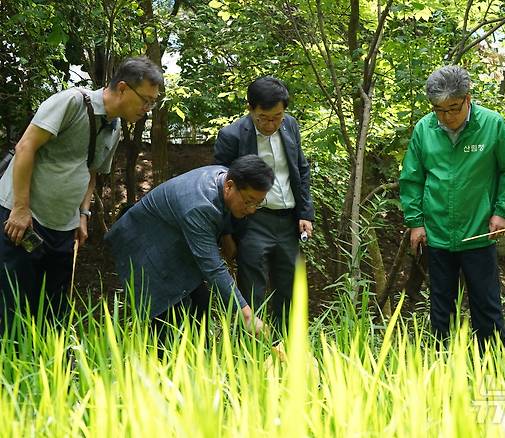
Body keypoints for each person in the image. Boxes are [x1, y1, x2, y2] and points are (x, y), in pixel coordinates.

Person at [0, 56, 163, 334]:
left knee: (54, 310)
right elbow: (26, 146)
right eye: (145, 100)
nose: (147, 109)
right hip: (25, 219)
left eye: (152, 103)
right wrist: (20, 208)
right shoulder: (72, 102)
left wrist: (83, 214)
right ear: (123, 88)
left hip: (63, 227)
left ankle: (49, 371)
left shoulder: (114, 126)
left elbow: (91, 171)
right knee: (13, 308)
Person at [399, 65, 505, 350]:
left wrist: (502, 212)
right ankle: (444, 367)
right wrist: (416, 221)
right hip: (437, 233)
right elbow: (412, 178)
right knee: (441, 307)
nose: (447, 117)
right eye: (439, 110)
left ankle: (493, 364)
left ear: (468, 98)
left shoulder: (492, 124)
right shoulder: (424, 128)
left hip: (478, 232)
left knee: (486, 304)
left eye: (453, 108)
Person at [105, 155, 274, 336]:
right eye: (248, 201)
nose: (251, 210)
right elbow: (213, 268)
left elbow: (222, 216)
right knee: (169, 328)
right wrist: (247, 316)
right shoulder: (199, 206)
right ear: (229, 186)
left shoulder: (222, 176)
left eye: (258, 203)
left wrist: (226, 237)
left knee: (200, 313)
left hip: (172, 243)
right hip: (144, 248)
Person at [214, 76, 314, 330]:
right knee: (253, 291)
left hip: (288, 221)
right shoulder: (232, 136)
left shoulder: (290, 126)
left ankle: (288, 352)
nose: (271, 124)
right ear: (251, 109)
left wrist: (305, 213)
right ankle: (251, 354)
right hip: (253, 220)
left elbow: (301, 170)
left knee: (290, 289)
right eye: (264, 118)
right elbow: (222, 187)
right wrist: (226, 233)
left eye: (277, 117)